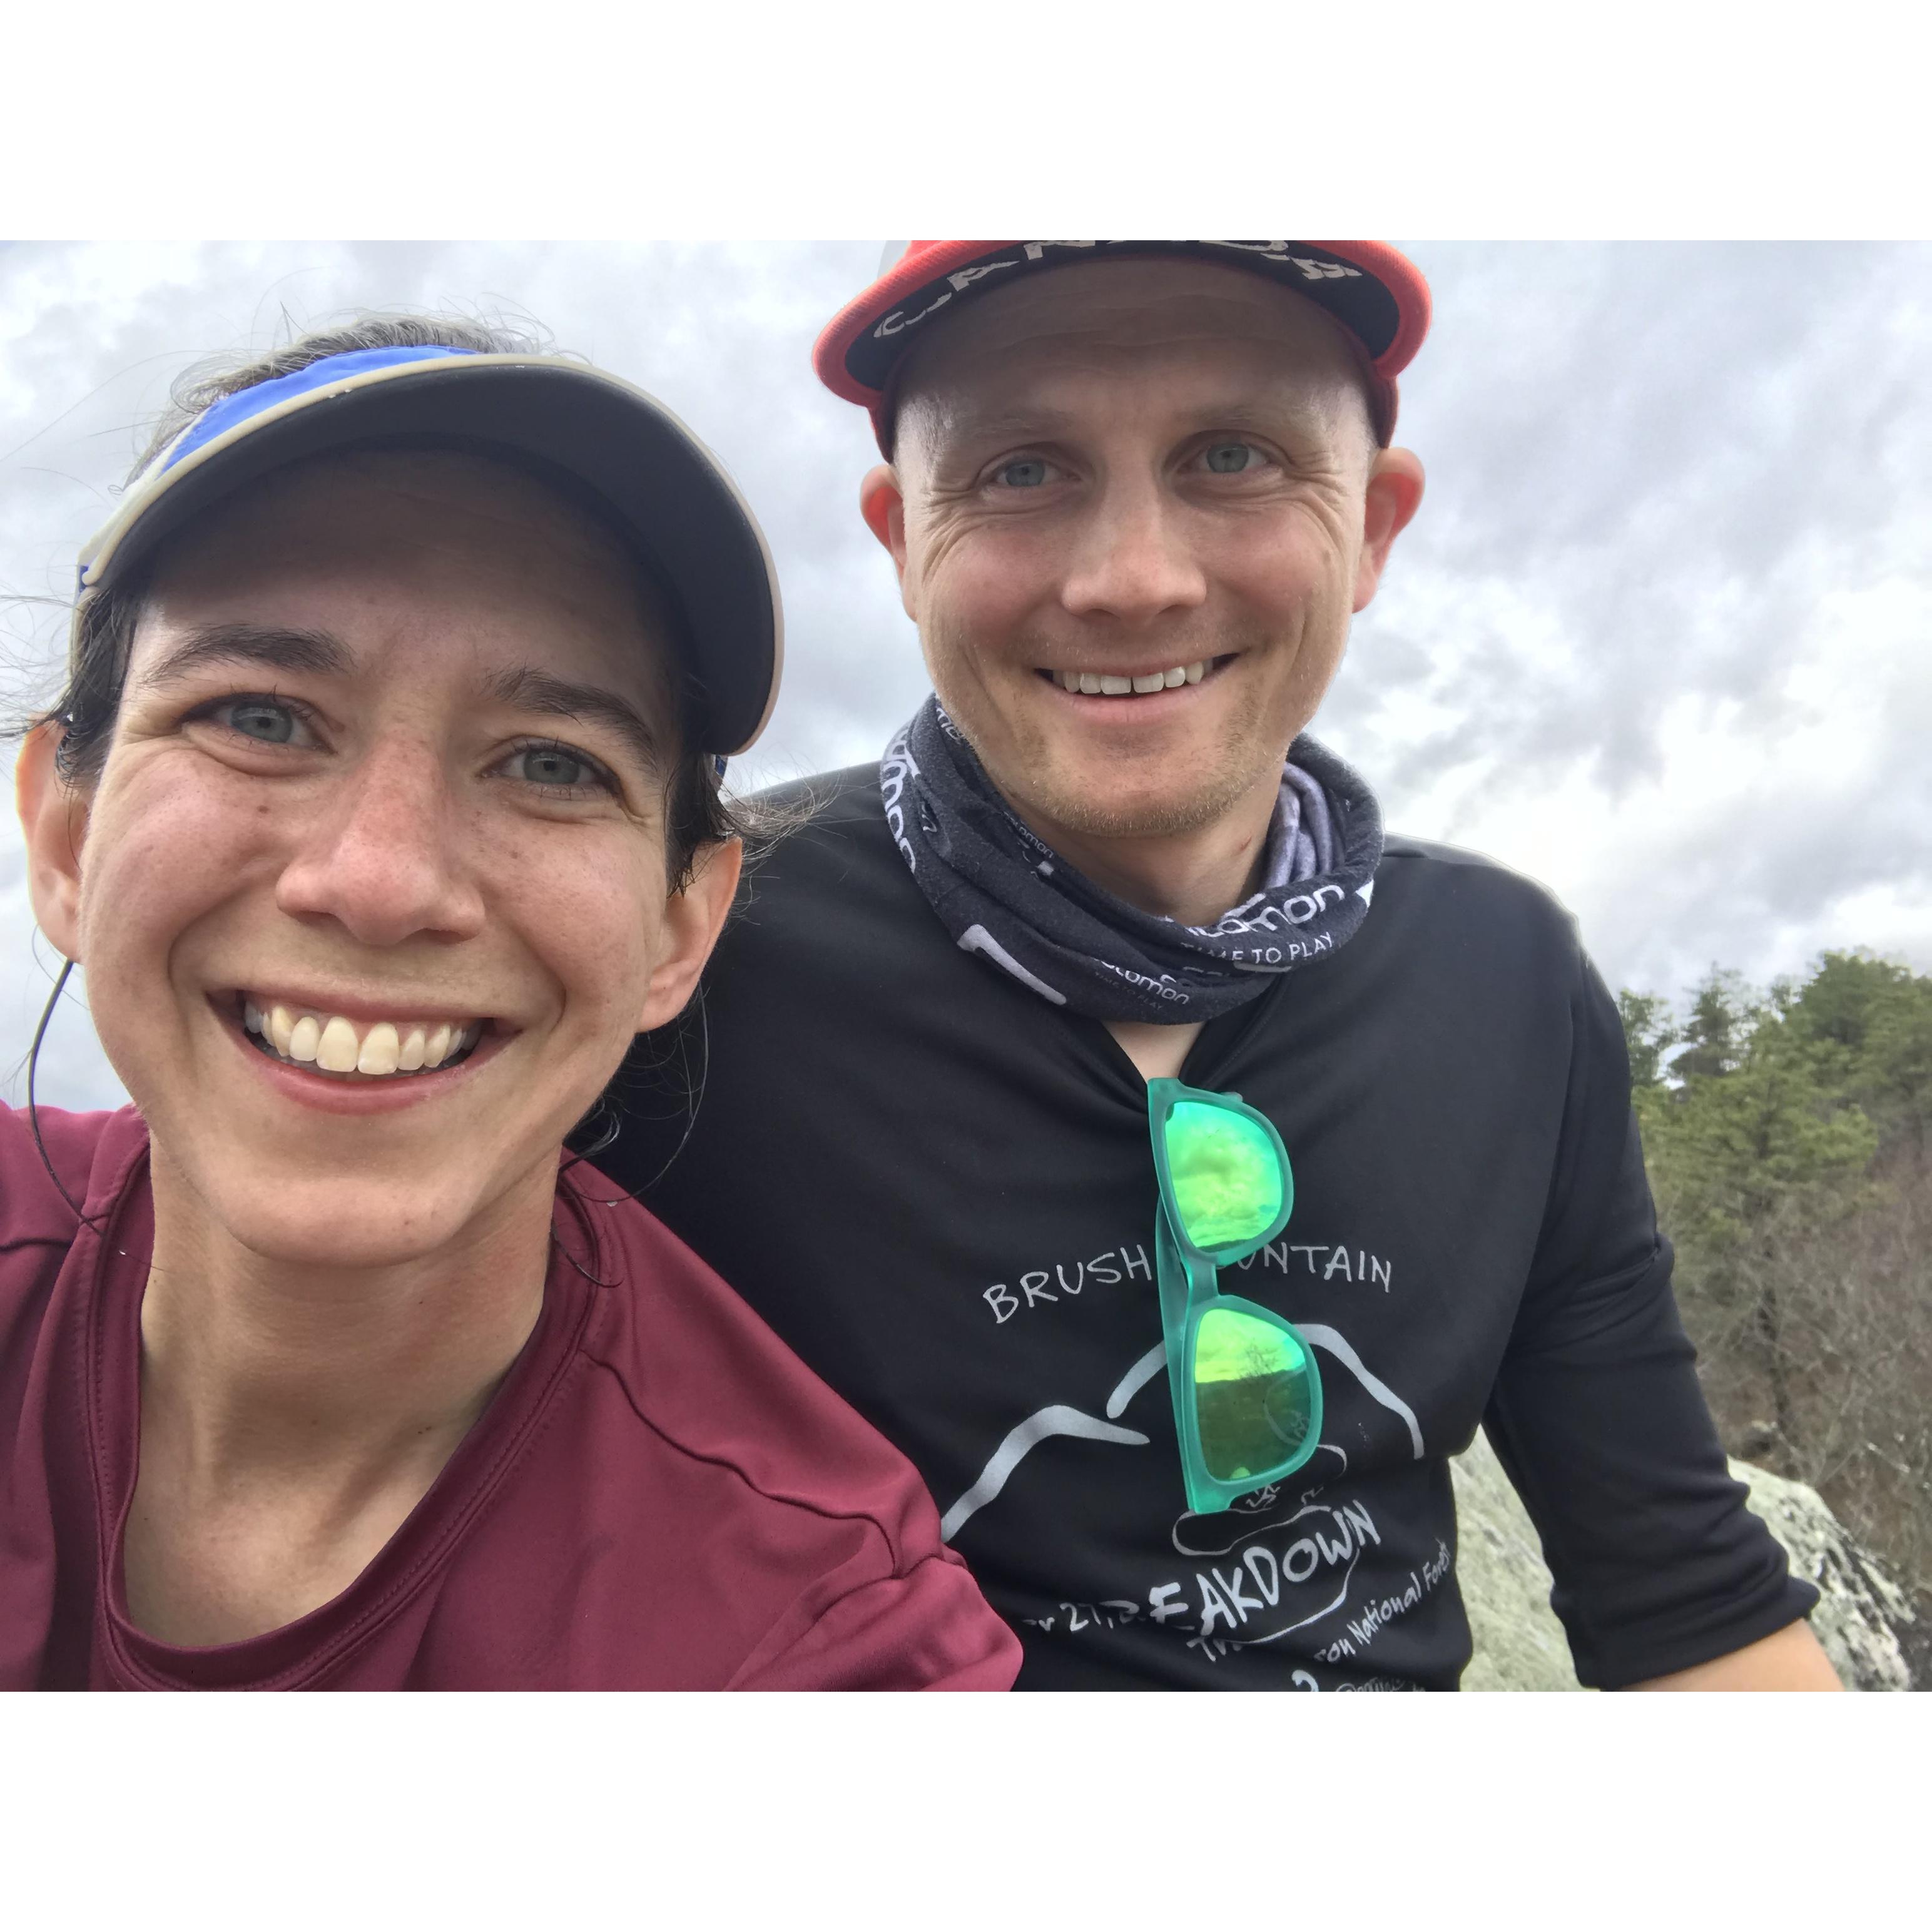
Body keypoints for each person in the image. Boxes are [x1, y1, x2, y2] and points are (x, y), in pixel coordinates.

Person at [605, 241, 1841, 1690]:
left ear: (1373, 525)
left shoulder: (1503, 981)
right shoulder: (677, 956)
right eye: (1019, 469)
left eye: (1233, 454)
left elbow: (1681, 1597)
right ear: (899, 540)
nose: (1133, 578)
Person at [2, 315, 1020, 1692]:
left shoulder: (819, 1641)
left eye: (548, 760)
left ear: (681, 928)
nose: (380, 878)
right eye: (260, 715)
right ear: (62, 836)